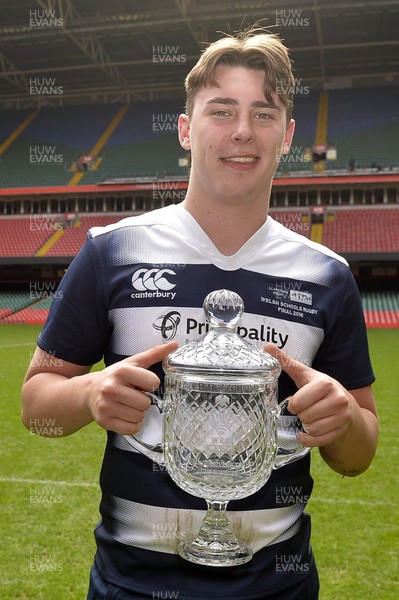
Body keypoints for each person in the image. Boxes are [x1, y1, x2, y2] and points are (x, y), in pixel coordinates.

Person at [22, 26, 378, 600]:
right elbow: (36, 405)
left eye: (263, 114)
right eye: (221, 110)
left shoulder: (326, 275)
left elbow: (359, 455)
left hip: (277, 586)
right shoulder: (112, 249)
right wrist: (88, 396)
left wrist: (343, 423)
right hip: (130, 585)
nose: (242, 131)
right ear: (186, 130)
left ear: (287, 135)